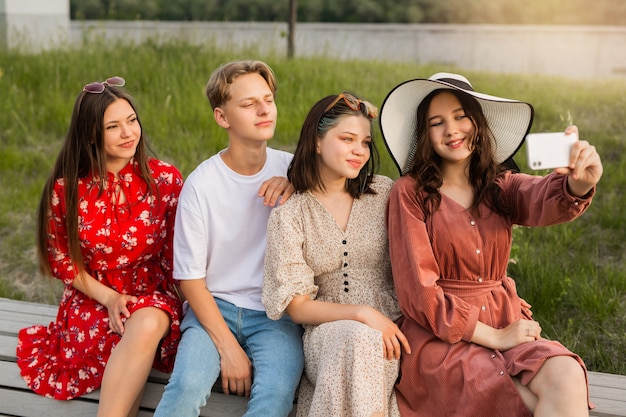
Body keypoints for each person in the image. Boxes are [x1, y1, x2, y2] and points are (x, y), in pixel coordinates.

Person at [379, 72, 602, 417]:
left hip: (506, 322)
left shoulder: (500, 185)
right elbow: (420, 296)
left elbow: (541, 196)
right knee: (521, 401)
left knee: (567, 373)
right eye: (437, 123)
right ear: (425, 136)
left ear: (477, 123)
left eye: (460, 116)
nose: (451, 130)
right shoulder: (409, 194)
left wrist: (576, 184)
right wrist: (495, 338)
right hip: (443, 341)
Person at [16, 76, 184, 417]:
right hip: (92, 296)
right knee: (117, 339)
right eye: (113, 126)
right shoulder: (67, 187)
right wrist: (108, 298)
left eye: (132, 121)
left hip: (151, 293)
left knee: (146, 324)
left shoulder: (165, 179)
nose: (128, 133)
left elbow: (178, 253)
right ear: (92, 134)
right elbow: (59, 257)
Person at [153, 60, 304, 417]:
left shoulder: (294, 169)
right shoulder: (201, 185)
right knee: (186, 386)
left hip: (274, 314)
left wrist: (298, 182)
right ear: (223, 117)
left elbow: (343, 184)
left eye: (268, 99)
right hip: (212, 308)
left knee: (276, 394)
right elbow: (190, 279)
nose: (264, 109)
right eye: (249, 103)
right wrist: (228, 348)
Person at [262, 93, 410, 417]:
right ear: (316, 142)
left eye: (365, 142)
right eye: (347, 139)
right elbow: (298, 308)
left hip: (390, 331)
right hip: (326, 335)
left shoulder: (383, 193)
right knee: (359, 338)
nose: (360, 150)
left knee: (367, 343)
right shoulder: (291, 214)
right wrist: (362, 314)